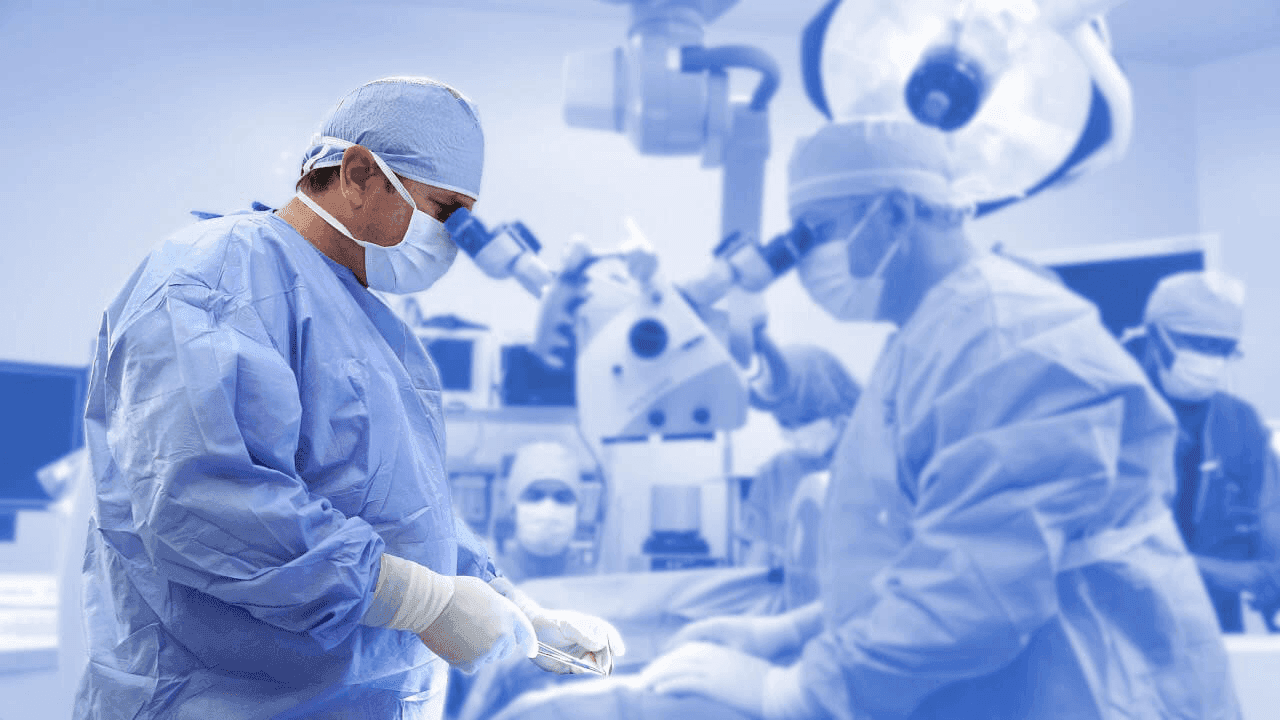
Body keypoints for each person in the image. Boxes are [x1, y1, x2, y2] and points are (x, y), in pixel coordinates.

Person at [494, 118, 1241, 720]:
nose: (809, 258)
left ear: (894, 212)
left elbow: (977, 592)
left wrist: (796, 690)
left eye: (815, 231)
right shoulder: (931, 337)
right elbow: (922, 552)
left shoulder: (1010, 342)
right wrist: (794, 632)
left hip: (1085, 686)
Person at [76, 76, 619, 720]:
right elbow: (206, 503)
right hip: (228, 698)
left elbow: (399, 504)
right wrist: (424, 603)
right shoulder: (214, 280)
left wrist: (505, 599)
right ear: (359, 174)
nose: (448, 239)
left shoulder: (372, 324)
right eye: (443, 211)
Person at [1125, 270, 1280, 632]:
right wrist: (1210, 573)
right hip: (1125, 622)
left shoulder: (1240, 421)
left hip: (1215, 626)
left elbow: (1268, 511)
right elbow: (1097, 544)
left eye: (1223, 349)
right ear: (1154, 336)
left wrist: (1271, 574)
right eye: (1197, 344)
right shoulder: (1114, 413)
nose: (1211, 359)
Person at [741, 338, 860, 570]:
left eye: (805, 419)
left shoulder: (874, 463)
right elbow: (757, 562)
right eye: (784, 422)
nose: (796, 432)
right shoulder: (776, 474)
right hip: (796, 601)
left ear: (838, 408)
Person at [498, 441, 595, 583]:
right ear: (512, 509)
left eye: (561, 497)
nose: (548, 509)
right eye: (535, 496)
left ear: (578, 512)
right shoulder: (485, 584)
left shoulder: (591, 587)